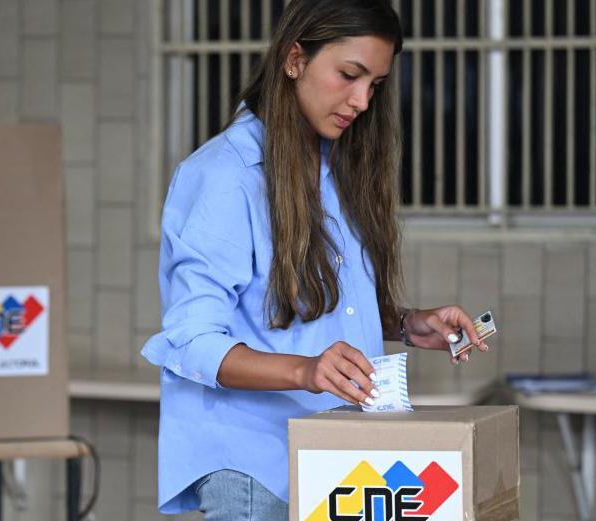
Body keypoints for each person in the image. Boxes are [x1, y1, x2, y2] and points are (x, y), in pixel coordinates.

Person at [141, 0, 489, 519]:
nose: (361, 101)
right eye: (349, 75)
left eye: (375, 85)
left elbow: (309, 307)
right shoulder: (225, 175)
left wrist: (407, 323)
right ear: (293, 59)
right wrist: (306, 371)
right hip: (258, 468)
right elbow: (190, 341)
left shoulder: (334, 167)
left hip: (336, 459)